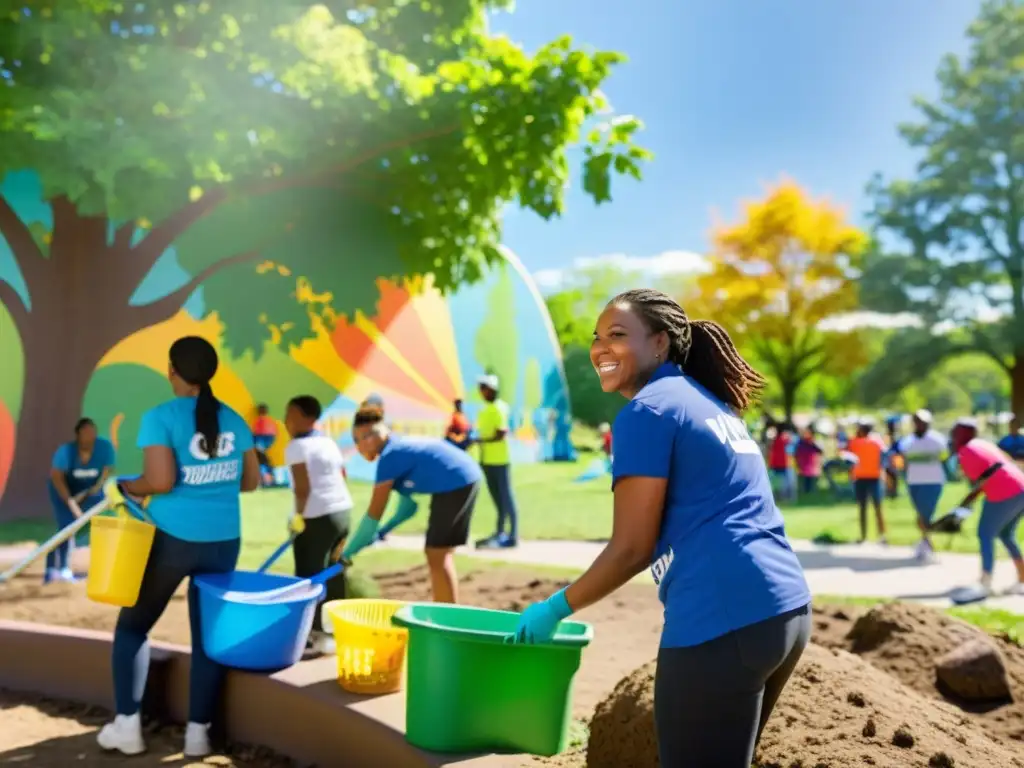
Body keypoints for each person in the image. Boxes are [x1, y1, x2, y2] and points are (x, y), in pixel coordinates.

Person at [511, 289, 811, 767]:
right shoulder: (709, 403)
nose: (600, 348)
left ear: (660, 344)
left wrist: (554, 607)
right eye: (596, 338)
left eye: (617, 335)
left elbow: (631, 548)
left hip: (722, 619)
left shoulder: (649, 411)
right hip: (785, 611)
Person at [97, 336, 261, 758]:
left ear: (172, 370)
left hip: (172, 541)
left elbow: (161, 481)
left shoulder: (160, 418)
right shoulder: (234, 419)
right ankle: (197, 736)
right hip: (224, 541)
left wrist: (125, 486)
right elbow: (251, 481)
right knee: (206, 639)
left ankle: (127, 728)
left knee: (133, 626)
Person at [343, 405, 482, 603]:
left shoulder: (390, 457)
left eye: (357, 440)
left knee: (437, 554)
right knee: (439, 554)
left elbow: (373, 516)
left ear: (370, 437)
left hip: (457, 481)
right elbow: (408, 508)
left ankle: (445, 617)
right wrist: (383, 531)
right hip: (462, 477)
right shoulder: (395, 448)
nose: (357, 447)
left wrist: (346, 554)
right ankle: (445, 612)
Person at [283, 395, 353, 656]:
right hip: (342, 512)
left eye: (291, 415)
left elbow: (303, 489)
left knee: (308, 574)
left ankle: (312, 634)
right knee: (334, 572)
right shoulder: (327, 441)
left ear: (307, 418)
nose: (286, 421)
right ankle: (337, 629)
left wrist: (298, 518)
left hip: (318, 516)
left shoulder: (296, 447)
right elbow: (341, 475)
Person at [947, 418, 1024, 597]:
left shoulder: (966, 452)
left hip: (1005, 492)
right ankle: (1022, 579)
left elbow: (980, 483)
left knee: (985, 533)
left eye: (956, 432)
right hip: (1020, 487)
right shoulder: (982, 443)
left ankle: (985, 582)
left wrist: (965, 504)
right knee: (1006, 534)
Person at [46, 418, 116, 583]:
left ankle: (102, 566)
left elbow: (107, 471)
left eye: (93, 433)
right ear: (78, 435)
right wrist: (71, 504)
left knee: (101, 523)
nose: (90, 437)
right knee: (66, 526)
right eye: (85, 433)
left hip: (88, 492)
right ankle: (58, 568)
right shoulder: (66, 452)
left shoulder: (104, 448)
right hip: (63, 492)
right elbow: (57, 478)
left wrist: (93, 490)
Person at [474, 374, 519, 549]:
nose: (481, 391)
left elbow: (501, 433)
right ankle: (500, 532)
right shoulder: (485, 409)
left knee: (506, 497)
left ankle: (513, 535)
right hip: (487, 460)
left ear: (491, 389)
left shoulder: (499, 408)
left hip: (499, 460)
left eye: (483, 388)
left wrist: (481, 440)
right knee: (497, 499)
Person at [896, 409, 947, 563]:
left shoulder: (937, 440)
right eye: (917, 421)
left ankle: (926, 544)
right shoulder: (907, 442)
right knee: (920, 515)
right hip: (914, 482)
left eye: (922, 421)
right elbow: (903, 461)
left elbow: (944, 458)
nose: (920, 424)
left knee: (926, 515)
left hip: (933, 482)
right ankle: (926, 543)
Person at [848, 419, 887, 544]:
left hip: (861, 477)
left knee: (863, 508)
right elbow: (884, 454)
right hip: (874, 477)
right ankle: (882, 536)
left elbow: (847, 455)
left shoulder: (855, 442)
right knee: (877, 507)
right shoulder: (877, 441)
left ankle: (863, 536)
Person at [251, 403, 277, 486]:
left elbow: (256, 433)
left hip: (260, 441)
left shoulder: (260, 421)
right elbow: (273, 434)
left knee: (262, 461)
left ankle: (267, 480)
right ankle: (269, 479)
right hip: (264, 442)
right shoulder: (270, 420)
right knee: (263, 460)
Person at [793, 427, 823, 496]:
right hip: (804, 464)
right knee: (805, 480)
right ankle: (805, 493)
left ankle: (811, 493)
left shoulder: (813, 442)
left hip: (812, 464)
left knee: (812, 480)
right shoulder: (800, 442)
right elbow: (797, 453)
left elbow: (820, 451)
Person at [767, 425, 793, 500]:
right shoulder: (784, 439)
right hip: (782, 464)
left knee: (773, 481)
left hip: (775, 463)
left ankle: (776, 496)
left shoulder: (774, 440)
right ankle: (783, 496)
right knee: (784, 482)